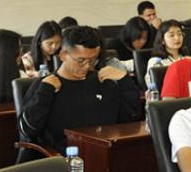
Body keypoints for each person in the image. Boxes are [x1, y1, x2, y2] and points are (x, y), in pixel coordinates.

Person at [18, 26, 141, 155]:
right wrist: (45, 92)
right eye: (81, 60)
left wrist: (124, 81)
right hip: (62, 159)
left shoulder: (103, 82)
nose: (87, 66)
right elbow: (27, 130)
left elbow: (130, 121)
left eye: (92, 60)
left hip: (103, 154)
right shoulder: (46, 85)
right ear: (63, 55)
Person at [144, 20, 188, 88]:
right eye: (171, 35)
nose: (177, 38)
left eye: (179, 34)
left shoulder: (186, 58)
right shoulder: (156, 62)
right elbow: (152, 86)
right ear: (162, 40)